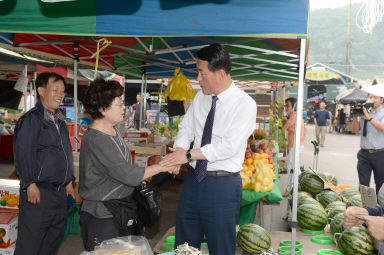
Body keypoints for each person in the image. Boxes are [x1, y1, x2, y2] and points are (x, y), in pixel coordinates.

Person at [160, 43, 257, 255]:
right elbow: (187, 129)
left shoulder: (245, 104)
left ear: (220, 73)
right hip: (194, 181)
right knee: (184, 245)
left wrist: (188, 154)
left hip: (222, 186)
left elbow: (228, 146)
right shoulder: (200, 98)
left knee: (221, 247)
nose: (197, 78)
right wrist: (178, 153)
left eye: (202, 72)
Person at [79, 79, 176, 251]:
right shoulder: (96, 139)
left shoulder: (114, 130)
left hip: (120, 209)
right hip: (102, 214)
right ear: (102, 108)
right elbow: (126, 174)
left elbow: (119, 169)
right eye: (119, 104)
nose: (124, 107)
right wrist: (163, 165)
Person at [13, 72, 75, 255]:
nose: (60, 95)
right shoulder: (31, 120)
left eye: (62, 91)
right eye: (55, 89)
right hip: (39, 192)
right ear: (41, 91)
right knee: (30, 245)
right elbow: (23, 153)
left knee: (51, 243)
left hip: (59, 193)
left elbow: (65, 152)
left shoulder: (60, 121)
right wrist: (29, 183)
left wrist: (69, 181)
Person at [352, 92, 384, 195]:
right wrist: (355, 116)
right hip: (364, 153)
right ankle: (364, 208)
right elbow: (355, 130)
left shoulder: (383, 113)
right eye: (370, 97)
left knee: (380, 183)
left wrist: (369, 118)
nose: (372, 99)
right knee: (363, 185)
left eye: (375, 97)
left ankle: (379, 209)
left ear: (382, 100)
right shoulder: (363, 111)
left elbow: (382, 127)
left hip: (380, 154)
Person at [281, 97, 304, 197]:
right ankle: (298, 187)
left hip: (296, 146)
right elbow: (288, 128)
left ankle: (290, 189)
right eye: (285, 105)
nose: (286, 107)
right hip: (295, 145)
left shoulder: (294, 117)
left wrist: (283, 119)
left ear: (294, 107)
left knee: (291, 167)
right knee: (294, 167)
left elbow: (283, 128)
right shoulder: (294, 116)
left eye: (288, 106)